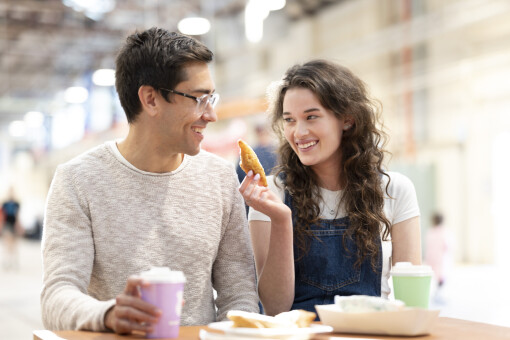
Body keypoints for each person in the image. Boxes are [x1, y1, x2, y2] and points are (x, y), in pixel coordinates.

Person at [41, 27, 259, 335]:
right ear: (151, 99)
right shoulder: (77, 181)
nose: (211, 114)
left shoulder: (221, 178)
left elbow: (240, 296)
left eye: (212, 98)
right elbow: (56, 297)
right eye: (199, 99)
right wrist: (109, 314)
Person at [239, 59, 422, 317]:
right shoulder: (271, 193)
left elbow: (411, 300)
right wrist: (281, 219)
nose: (299, 132)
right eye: (289, 120)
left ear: (346, 120)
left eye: (311, 117)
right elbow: (274, 307)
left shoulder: (394, 190)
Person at [236, 122, 278, 215]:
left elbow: (238, 179)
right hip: (276, 199)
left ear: (256, 133)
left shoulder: (246, 155)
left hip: (253, 203)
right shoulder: (278, 153)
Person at [425, 212, 454, 289]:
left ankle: (436, 290)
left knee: (434, 274)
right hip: (441, 258)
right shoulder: (445, 231)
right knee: (441, 274)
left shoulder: (430, 231)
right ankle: (439, 290)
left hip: (432, 257)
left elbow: (428, 245)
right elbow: (447, 245)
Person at [1, 187, 23, 270]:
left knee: (14, 245)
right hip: (7, 225)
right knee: (7, 244)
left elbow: (17, 216)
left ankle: (13, 261)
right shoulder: (5, 204)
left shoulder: (17, 204)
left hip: (14, 225)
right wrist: (1, 226)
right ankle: (7, 261)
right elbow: (3, 216)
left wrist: (19, 226)